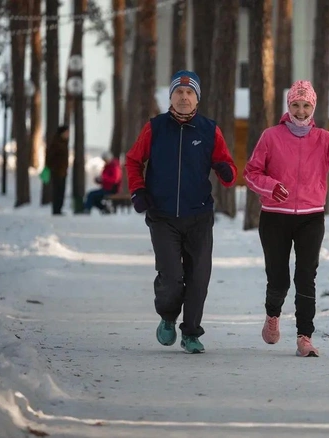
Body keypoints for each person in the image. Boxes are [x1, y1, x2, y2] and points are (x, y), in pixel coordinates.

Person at [244, 80, 329, 357]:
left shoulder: (323, 139)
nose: (300, 110)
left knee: (306, 277)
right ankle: (273, 315)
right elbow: (251, 173)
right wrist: (271, 187)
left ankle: (304, 337)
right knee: (279, 279)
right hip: (275, 217)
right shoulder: (271, 136)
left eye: (306, 105)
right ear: (288, 106)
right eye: (295, 104)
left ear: (313, 107)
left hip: (311, 217)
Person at [125, 70, 237, 354]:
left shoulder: (209, 130)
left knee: (199, 275)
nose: (184, 97)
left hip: (198, 215)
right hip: (162, 215)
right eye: (179, 92)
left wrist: (226, 172)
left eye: (189, 93)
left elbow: (228, 168)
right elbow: (133, 161)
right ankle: (167, 315)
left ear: (197, 98)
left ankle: (191, 333)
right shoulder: (155, 128)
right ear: (171, 97)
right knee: (171, 275)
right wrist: (138, 191)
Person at [45, 126, 70, 216]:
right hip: (57, 171)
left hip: (63, 171)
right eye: (66, 132)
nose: (68, 134)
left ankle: (59, 209)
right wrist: (54, 167)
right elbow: (50, 158)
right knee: (57, 191)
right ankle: (56, 209)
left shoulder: (64, 143)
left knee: (61, 191)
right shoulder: (56, 144)